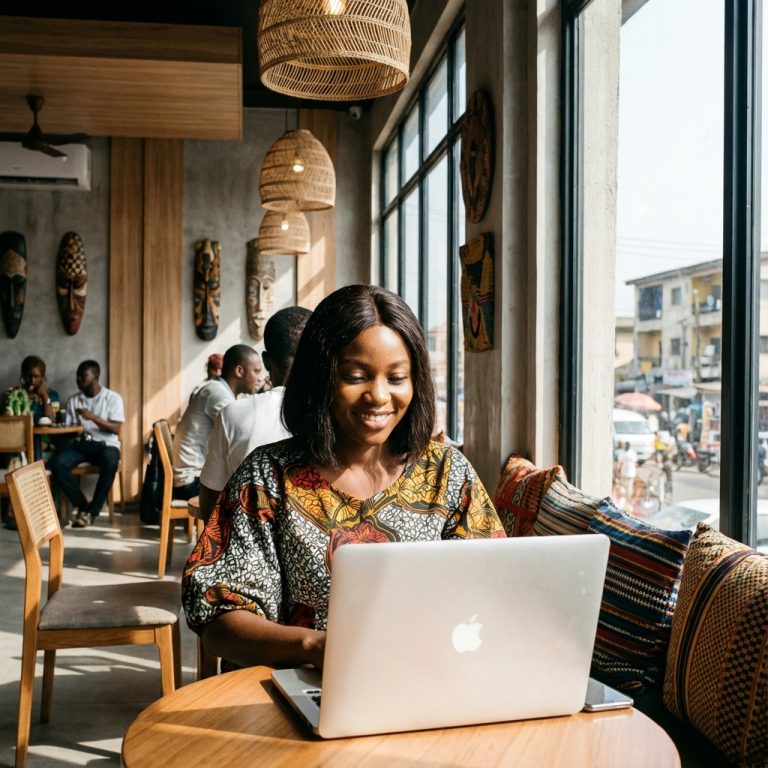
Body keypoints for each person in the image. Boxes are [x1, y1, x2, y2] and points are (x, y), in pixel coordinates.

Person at [182, 284, 505, 672]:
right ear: (320, 378)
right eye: (356, 376)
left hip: (429, 681)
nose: (379, 396)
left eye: (397, 377)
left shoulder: (446, 474)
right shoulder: (269, 479)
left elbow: (494, 588)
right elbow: (218, 617)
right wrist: (318, 647)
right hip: (300, 693)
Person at [198, 306, 312, 522]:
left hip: (251, 547)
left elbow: (210, 505)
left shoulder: (233, 414)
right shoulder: (337, 415)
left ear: (267, 361)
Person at [171, 344, 263, 500]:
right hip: (191, 482)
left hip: (194, 476)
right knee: (257, 491)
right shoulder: (216, 393)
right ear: (239, 371)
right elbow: (243, 435)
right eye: (256, 371)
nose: (260, 378)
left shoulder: (219, 389)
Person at [49, 360, 124, 528]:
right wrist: (72, 431)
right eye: (77, 376)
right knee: (58, 463)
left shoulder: (112, 398)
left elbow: (116, 429)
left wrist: (92, 417)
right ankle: (84, 507)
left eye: (83, 376)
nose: (78, 379)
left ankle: (93, 510)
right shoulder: (73, 400)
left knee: (111, 461)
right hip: (82, 445)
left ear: (96, 377)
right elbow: (70, 429)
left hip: (106, 444)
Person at [20, 354, 59, 424]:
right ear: (23, 376)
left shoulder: (52, 395)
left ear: (43, 377)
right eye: (29, 376)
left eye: (36, 376)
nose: (32, 380)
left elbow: (53, 421)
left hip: (45, 434)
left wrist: (44, 396)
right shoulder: (16, 395)